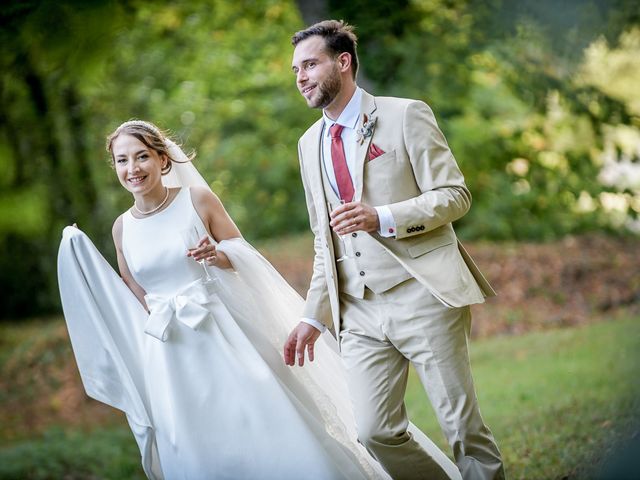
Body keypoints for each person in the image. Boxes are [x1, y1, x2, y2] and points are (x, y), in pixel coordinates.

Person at [57, 120, 459, 479]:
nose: (133, 169)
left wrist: (219, 256)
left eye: (142, 157)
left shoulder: (196, 200)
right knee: (198, 439)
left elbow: (243, 252)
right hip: (171, 353)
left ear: (163, 159)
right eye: (123, 161)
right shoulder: (121, 227)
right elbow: (134, 288)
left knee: (260, 422)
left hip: (223, 333)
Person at [284, 20, 505, 480]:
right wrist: (312, 316)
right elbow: (323, 241)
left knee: (463, 429)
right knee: (373, 431)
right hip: (359, 313)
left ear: (343, 62)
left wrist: (382, 217)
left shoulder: (405, 115)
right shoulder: (308, 144)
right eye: (296, 69)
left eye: (310, 64)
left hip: (421, 293)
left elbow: (454, 195)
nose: (300, 77)